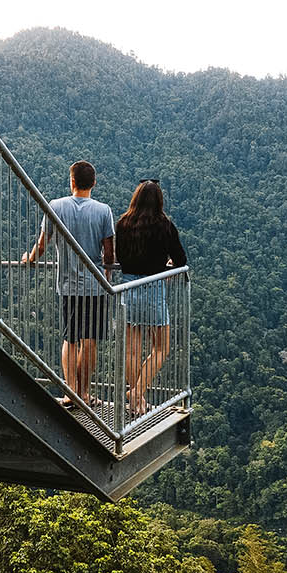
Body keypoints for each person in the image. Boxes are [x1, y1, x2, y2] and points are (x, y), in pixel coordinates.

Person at [22, 160, 116, 408]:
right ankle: (85, 394)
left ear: (71, 181)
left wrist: (29, 259)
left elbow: (42, 245)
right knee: (90, 340)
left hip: (68, 285)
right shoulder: (103, 211)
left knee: (70, 339)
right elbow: (109, 255)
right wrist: (106, 281)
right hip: (95, 286)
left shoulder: (56, 206)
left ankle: (70, 393)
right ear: (93, 183)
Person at [114, 178, 187, 416]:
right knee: (160, 348)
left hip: (129, 287)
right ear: (159, 201)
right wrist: (166, 265)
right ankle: (136, 394)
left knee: (133, 351)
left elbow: (121, 259)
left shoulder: (123, 224)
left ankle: (136, 399)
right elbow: (180, 260)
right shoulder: (164, 225)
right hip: (154, 289)